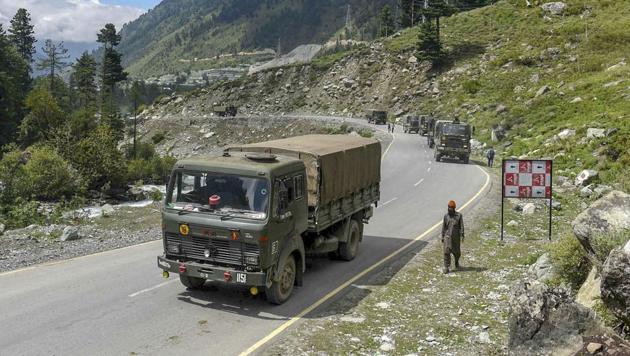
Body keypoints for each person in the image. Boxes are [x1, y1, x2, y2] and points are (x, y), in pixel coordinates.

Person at [441, 200, 465, 274]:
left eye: (451, 207)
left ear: (454, 208)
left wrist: (462, 235)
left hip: (456, 238)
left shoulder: (459, 216)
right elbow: (444, 227)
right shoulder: (446, 216)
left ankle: (456, 262)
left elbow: (461, 226)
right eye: (448, 207)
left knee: (457, 253)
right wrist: (442, 236)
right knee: (446, 252)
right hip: (447, 237)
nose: (449, 209)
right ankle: (446, 267)